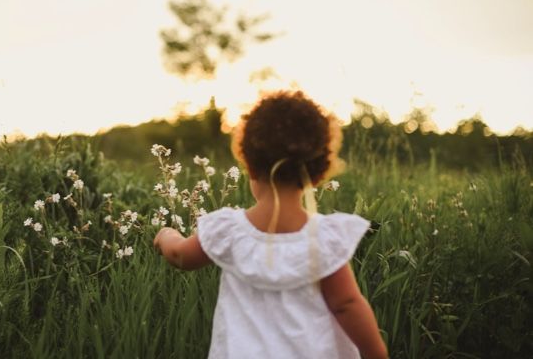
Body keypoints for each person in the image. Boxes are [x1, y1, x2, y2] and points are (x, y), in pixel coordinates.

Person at [153, 91, 388, 359]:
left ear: (249, 164)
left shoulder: (229, 230)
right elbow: (347, 304)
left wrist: (166, 235)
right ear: (316, 173)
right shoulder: (323, 238)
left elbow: (180, 256)